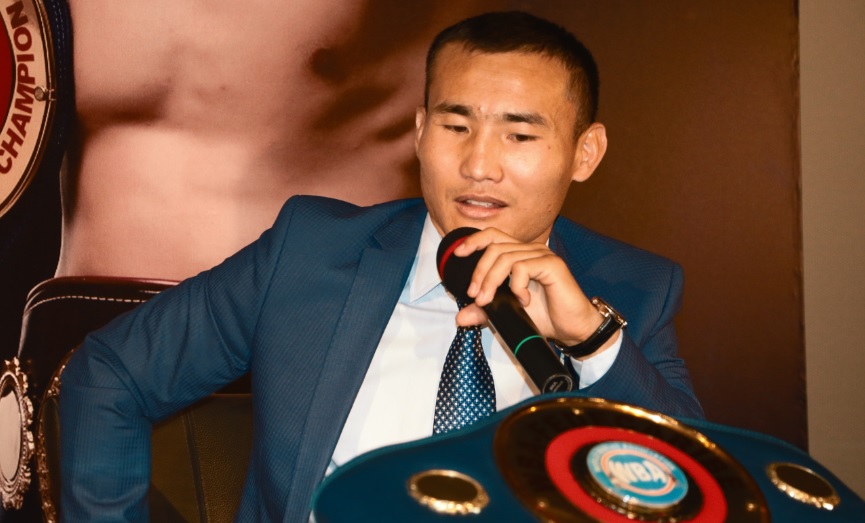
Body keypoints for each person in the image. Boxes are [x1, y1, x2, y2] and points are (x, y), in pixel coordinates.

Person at [59, 11, 703, 521]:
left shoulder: (631, 290)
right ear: (420, 131)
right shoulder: (309, 252)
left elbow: (702, 491)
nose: (479, 165)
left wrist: (590, 340)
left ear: (585, 152)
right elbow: (112, 372)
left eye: (520, 135)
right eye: (456, 127)